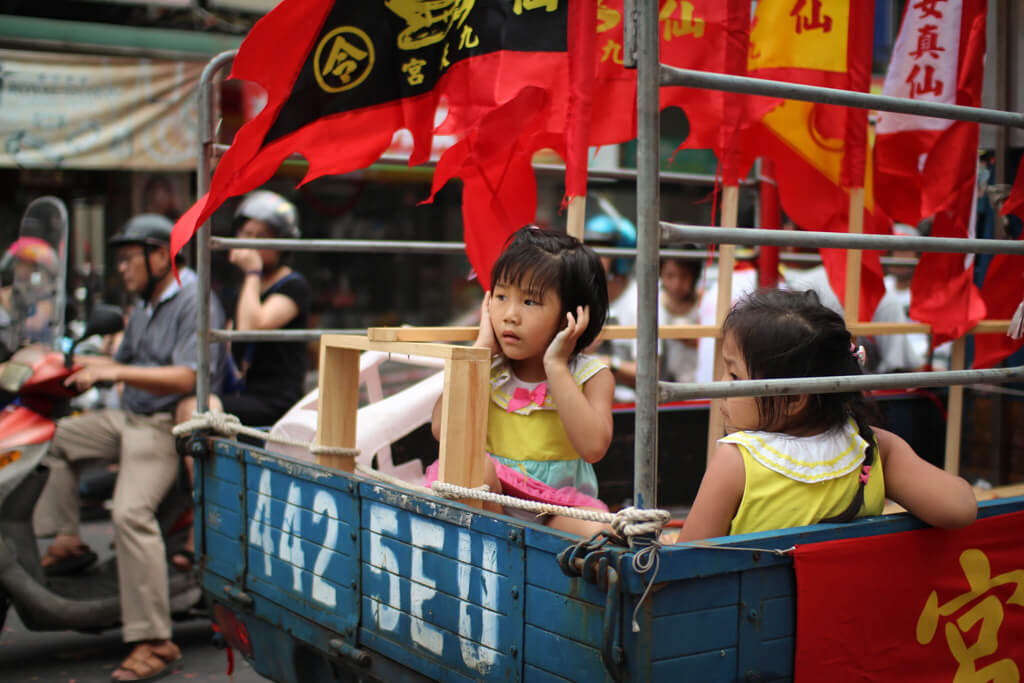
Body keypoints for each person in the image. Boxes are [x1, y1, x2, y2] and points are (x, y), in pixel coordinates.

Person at [32, 214, 226, 682]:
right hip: (128, 417)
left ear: (161, 255)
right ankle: (68, 540)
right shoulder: (144, 305)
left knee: (129, 514)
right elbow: (117, 363)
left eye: (128, 258)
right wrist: (56, 365)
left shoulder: (194, 301)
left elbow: (187, 376)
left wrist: (113, 373)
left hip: (163, 424)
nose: (121, 268)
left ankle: (155, 639)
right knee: (49, 441)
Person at [676, 288, 977, 542]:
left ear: (793, 398)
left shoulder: (736, 461)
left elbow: (687, 564)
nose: (723, 385)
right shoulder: (873, 448)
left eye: (734, 374)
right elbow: (960, 508)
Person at [427, 226, 614, 535]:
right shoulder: (488, 367)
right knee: (475, 467)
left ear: (571, 316)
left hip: (558, 508)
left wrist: (555, 365)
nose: (510, 315)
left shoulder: (590, 375)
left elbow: (593, 448)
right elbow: (440, 429)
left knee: (603, 535)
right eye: (501, 296)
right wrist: (482, 352)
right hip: (491, 503)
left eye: (530, 302)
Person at [173, 190, 311, 570]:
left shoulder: (293, 285)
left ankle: (206, 523)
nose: (247, 242)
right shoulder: (241, 291)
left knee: (205, 409)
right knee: (192, 407)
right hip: (242, 393)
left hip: (276, 399)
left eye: (258, 235)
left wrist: (250, 271)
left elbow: (254, 327)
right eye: (244, 234)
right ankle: (206, 509)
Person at [583, 212, 639, 400]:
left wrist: (609, 363)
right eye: (589, 249)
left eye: (602, 251)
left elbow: (650, 371)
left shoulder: (639, 300)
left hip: (630, 406)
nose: (593, 258)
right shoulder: (580, 295)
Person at [658, 252, 703, 383]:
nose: (677, 284)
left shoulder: (706, 304)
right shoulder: (653, 306)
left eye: (684, 276)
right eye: (670, 275)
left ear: (694, 276)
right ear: (660, 274)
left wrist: (702, 341)